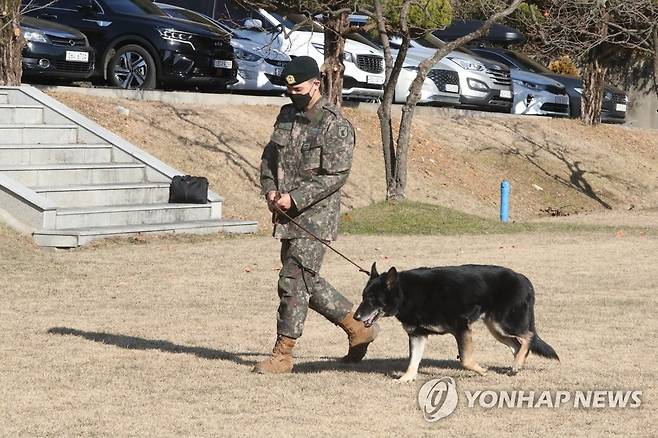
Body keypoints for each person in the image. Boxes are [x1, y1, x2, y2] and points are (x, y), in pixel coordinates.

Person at [253, 56, 379, 374]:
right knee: (307, 281)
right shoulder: (286, 116)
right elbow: (269, 158)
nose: (293, 92)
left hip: (315, 217)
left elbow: (335, 175)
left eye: (299, 87)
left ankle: (283, 354)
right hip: (286, 216)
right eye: (289, 88)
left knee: (293, 281)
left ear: (316, 84)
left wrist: (293, 198)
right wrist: (269, 189)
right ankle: (358, 327)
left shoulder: (334, 125)